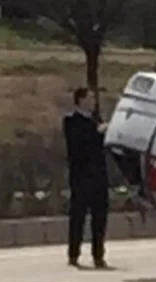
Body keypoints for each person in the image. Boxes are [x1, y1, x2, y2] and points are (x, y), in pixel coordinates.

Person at [63, 87, 110, 268]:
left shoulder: (95, 120)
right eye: (89, 98)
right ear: (80, 100)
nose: (93, 101)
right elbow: (78, 145)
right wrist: (97, 133)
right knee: (78, 217)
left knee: (100, 217)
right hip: (81, 176)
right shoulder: (71, 121)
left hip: (98, 175)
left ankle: (98, 254)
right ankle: (73, 253)